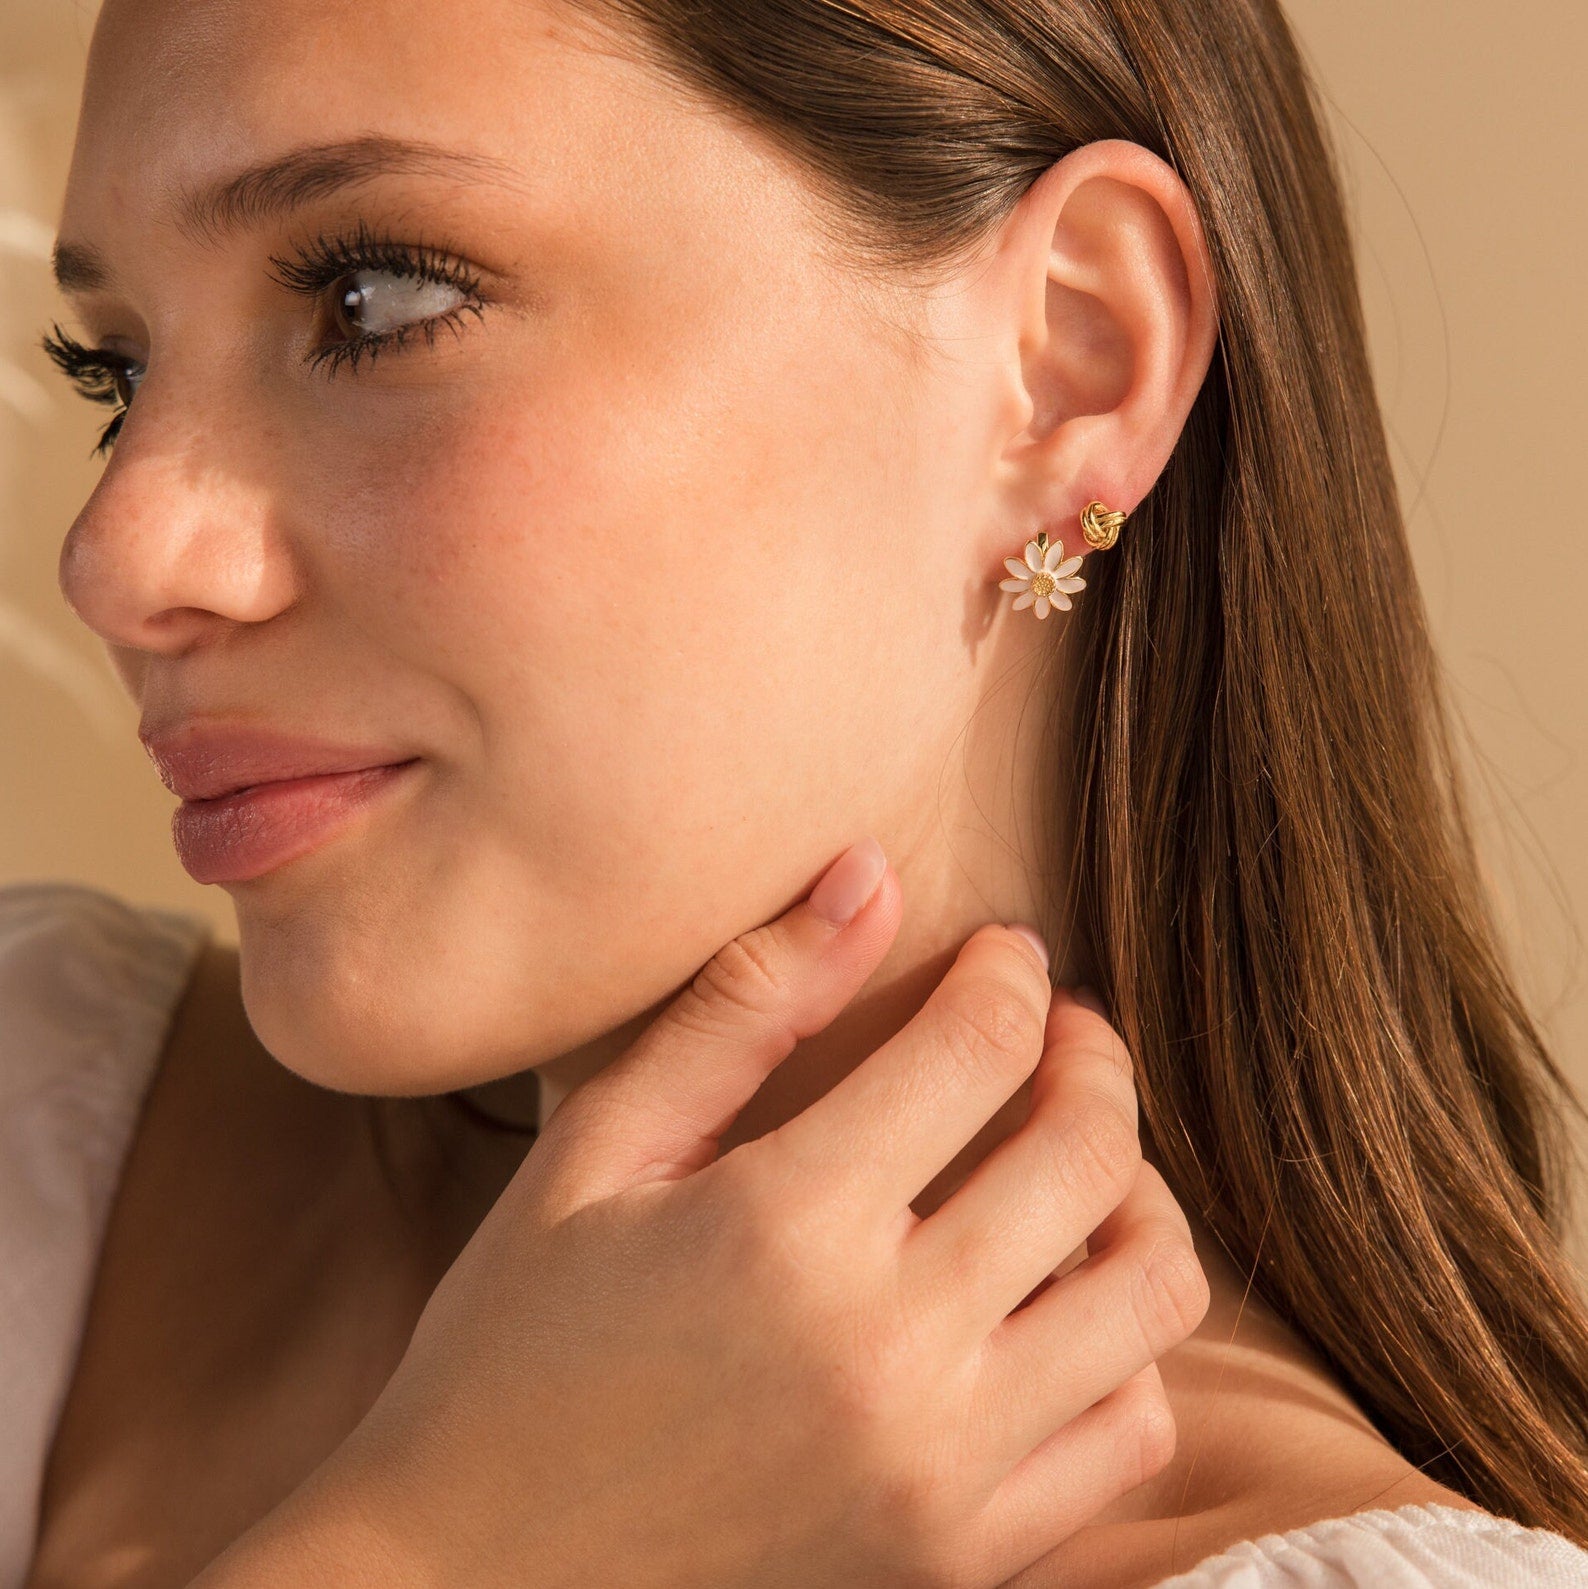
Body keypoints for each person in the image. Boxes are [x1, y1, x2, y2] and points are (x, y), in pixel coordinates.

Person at [8, 0, 1588, 1583]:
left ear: (1068, 365)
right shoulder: (42, 1123)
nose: (120, 556)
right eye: (116, 370)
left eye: (377, 297)